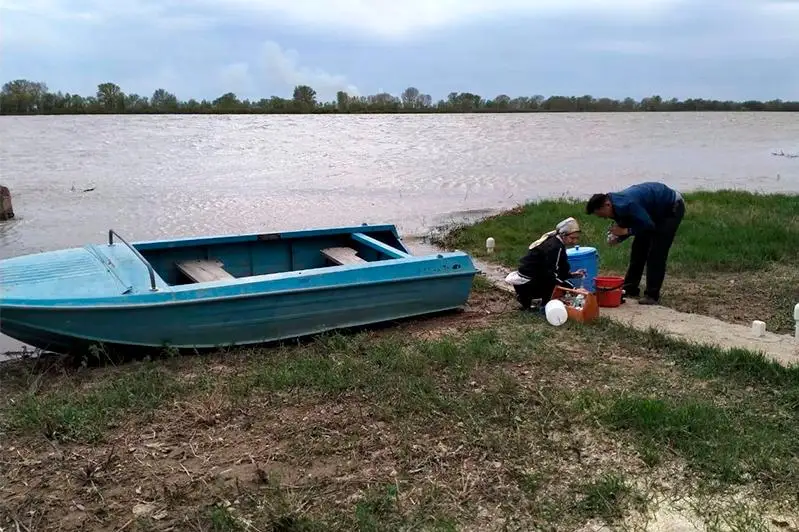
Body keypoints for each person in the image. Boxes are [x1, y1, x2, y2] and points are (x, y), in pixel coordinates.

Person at [585, 181, 685, 305]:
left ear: (607, 204)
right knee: (638, 250)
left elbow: (648, 226)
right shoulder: (614, 205)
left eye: (602, 215)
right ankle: (630, 288)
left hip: (670, 209)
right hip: (650, 212)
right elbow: (631, 223)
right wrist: (619, 237)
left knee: (656, 253)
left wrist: (626, 231)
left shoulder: (628, 203)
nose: (604, 218)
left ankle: (652, 295)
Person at [505, 217, 586, 310]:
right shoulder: (554, 247)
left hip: (529, 278)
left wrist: (571, 275)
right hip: (527, 283)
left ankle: (528, 300)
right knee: (557, 286)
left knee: (557, 282)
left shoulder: (556, 242)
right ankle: (542, 305)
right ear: (563, 235)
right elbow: (551, 274)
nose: (575, 241)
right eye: (572, 238)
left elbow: (561, 267)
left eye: (577, 238)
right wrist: (573, 289)